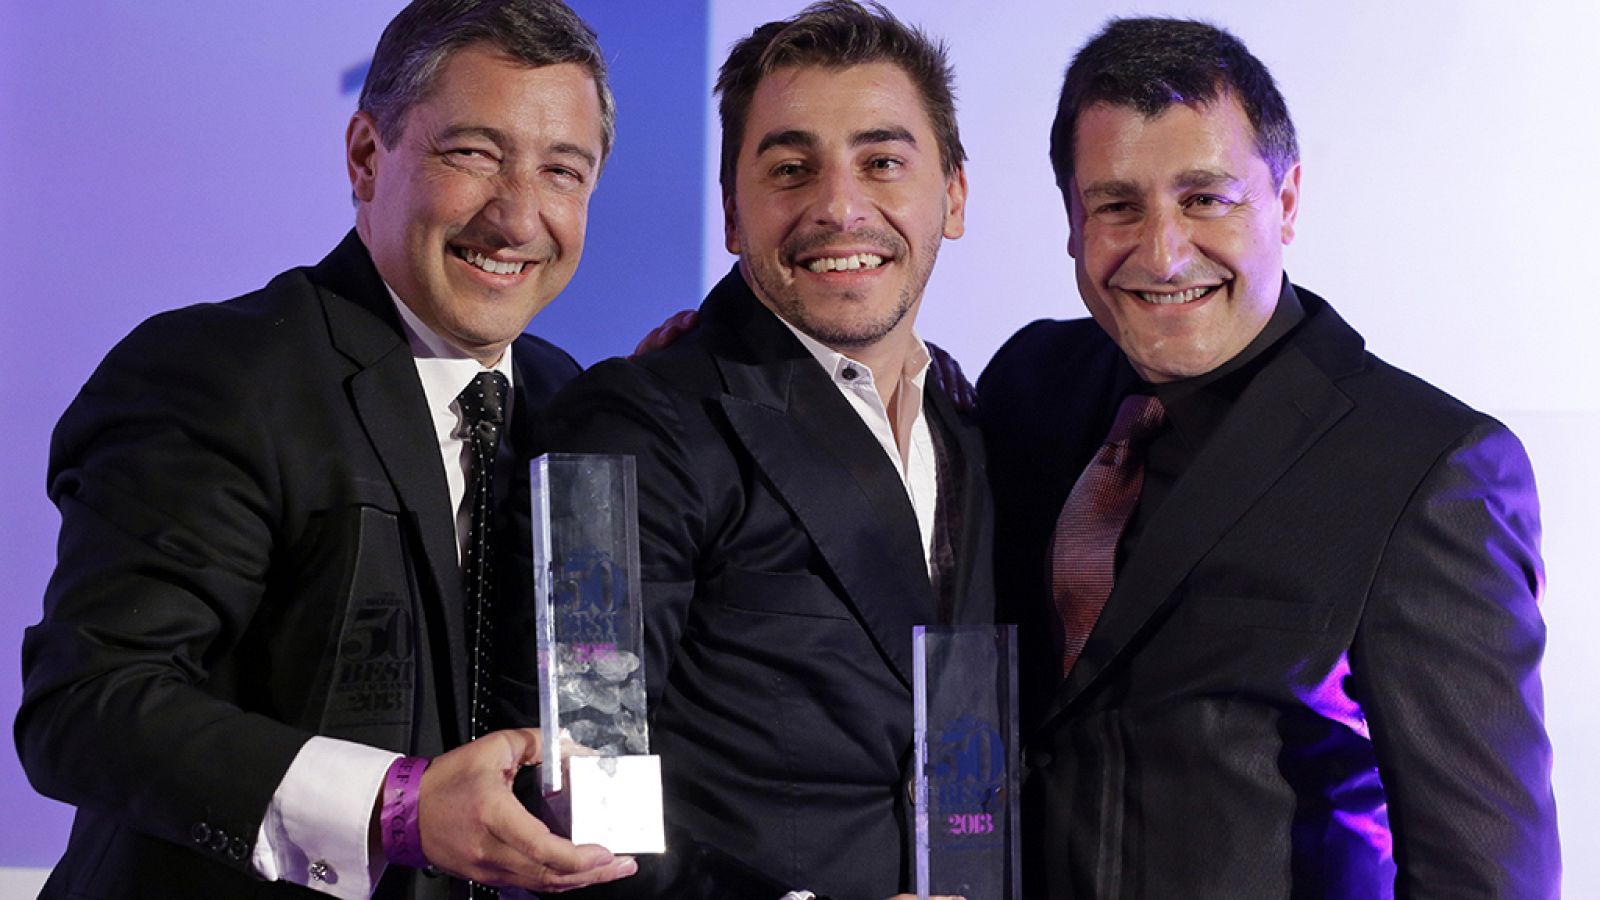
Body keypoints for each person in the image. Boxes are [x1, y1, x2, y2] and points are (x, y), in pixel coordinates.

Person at [15, 1, 640, 897]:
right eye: (474, 154)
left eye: (563, 172)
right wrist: (394, 807)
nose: (517, 217)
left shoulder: (566, 400)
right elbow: (89, 706)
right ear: (366, 156)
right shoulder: (218, 374)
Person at [978, 17, 1560, 898]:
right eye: (1117, 205)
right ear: (1071, 222)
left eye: (1206, 199)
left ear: (1286, 201)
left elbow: (1485, 875)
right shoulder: (1029, 386)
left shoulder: (1427, 467)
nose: (1162, 252)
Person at [546, 3, 993, 897]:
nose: (839, 207)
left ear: (953, 196)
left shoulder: (972, 422)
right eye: (791, 169)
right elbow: (583, 794)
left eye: (882, 163)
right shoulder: (635, 422)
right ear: (731, 214)